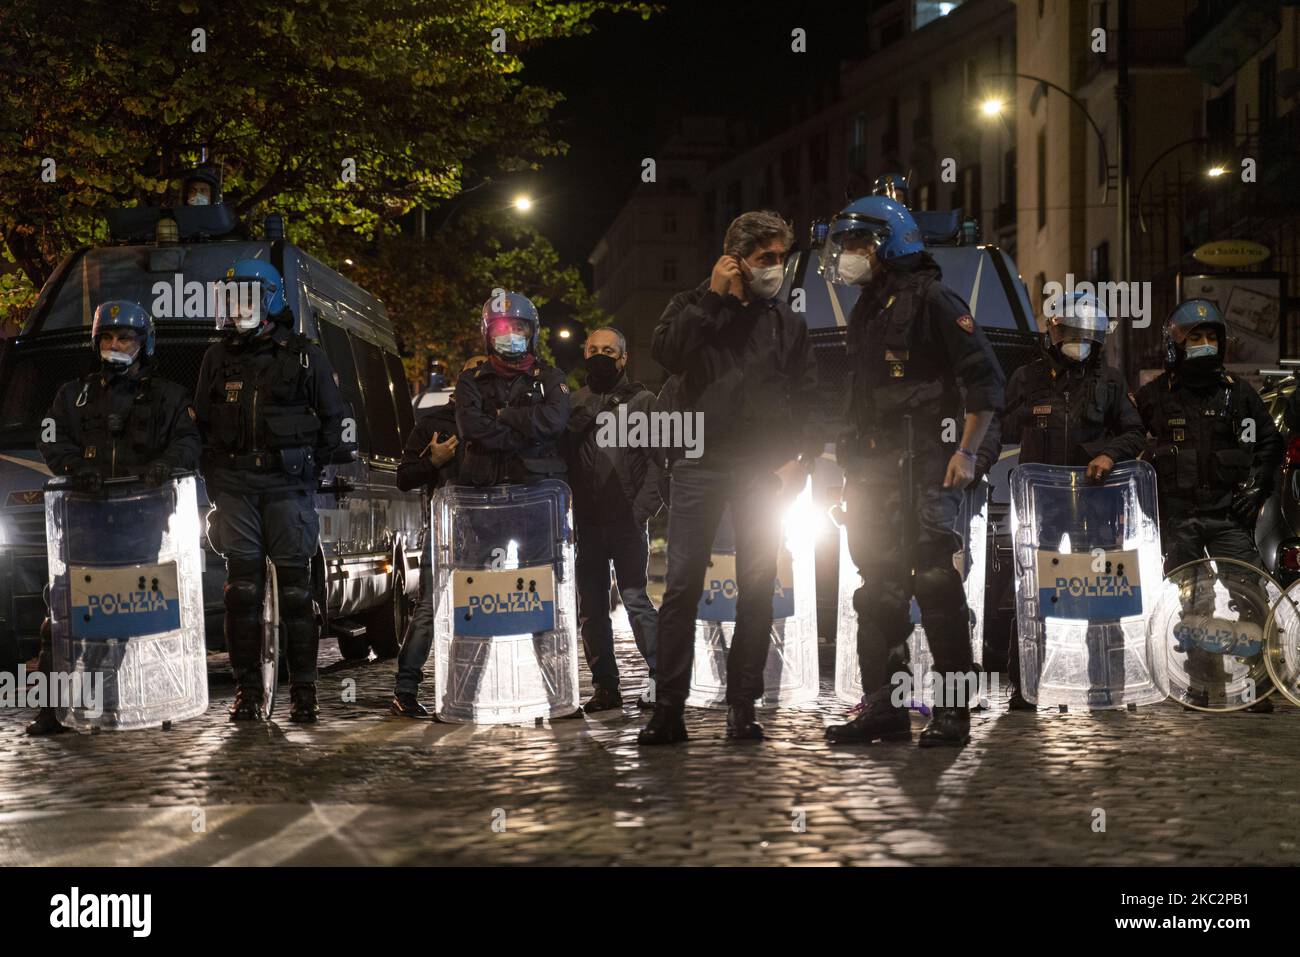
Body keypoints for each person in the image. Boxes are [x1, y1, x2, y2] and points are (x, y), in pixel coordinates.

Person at [821, 194, 1003, 748]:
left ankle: (951, 713)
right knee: (877, 590)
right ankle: (885, 709)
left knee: (935, 582)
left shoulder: (935, 299)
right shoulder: (869, 308)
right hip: (872, 468)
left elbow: (985, 380)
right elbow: (858, 400)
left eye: (856, 243)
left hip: (925, 463)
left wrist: (967, 452)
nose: (848, 254)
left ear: (887, 242)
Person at [641, 210, 821, 745]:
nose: (776, 268)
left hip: (763, 473)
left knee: (758, 590)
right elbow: (668, 354)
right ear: (735, 258)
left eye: (781, 258)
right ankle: (668, 708)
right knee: (680, 590)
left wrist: (799, 460)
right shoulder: (691, 306)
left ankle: (743, 706)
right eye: (766, 258)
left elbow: (809, 399)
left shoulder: (786, 322)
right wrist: (712, 300)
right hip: (698, 467)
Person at [31, 300, 201, 734]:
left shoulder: (169, 396)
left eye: (124, 337)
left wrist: (166, 465)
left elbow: (188, 442)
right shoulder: (73, 393)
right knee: (64, 611)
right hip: (84, 521)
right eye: (107, 337)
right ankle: (54, 708)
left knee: (120, 616)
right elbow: (51, 437)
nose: (115, 344)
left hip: (140, 522)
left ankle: (110, 700)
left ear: (144, 344)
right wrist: (73, 468)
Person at [194, 258, 349, 724]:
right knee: (241, 592)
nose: (237, 309)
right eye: (231, 299)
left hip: (286, 487)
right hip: (236, 488)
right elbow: (200, 423)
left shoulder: (304, 355)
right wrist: (216, 477)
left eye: (246, 298)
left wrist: (308, 470)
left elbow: (333, 420)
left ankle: (304, 690)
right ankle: (247, 692)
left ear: (270, 301)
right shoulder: (217, 357)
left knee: (298, 594)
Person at [981, 290, 1146, 708]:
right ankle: (1025, 687)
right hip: (1043, 506)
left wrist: (1109, 455)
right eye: (1072, 331)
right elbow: (999, 426)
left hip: (1097, 504)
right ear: (1054, 332)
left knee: (1103, 595)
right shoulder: (1027, 378)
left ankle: (1108, 684)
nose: (1080, 340)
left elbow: (1134, 432)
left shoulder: (1110, 382)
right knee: (1031, 593)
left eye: (1088, 333)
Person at [1136, 298, 1282, 712]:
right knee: (1193, 601)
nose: (1204, 343)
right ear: (1175, 344)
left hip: (1226, 516)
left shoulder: (1239, 396)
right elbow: (1129, 440)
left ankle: (1258, 684)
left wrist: (1257, 486)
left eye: (1210, 336)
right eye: (1195, 337)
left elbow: (1267, 443)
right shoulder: (1152, 398)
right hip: (1179, 518)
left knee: (1252, 593)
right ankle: (1204, 684)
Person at [562, 327, 662, 714]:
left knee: (636, 598)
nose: (600, 356)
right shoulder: (573, 403)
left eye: (609, 350)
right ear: (585, 354)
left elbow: (659, 463)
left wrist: (640, 512)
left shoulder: (643, 402)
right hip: (586, 522)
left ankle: (660, 679)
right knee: (591, 608)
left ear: (623, 358)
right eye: (593, 349)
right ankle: (605, 687)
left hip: (626, 521)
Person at [390, 353, 486, 718]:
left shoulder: (496, 421)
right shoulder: (434, 423)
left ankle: (467, 690)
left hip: (487, 533)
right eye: (472, 373)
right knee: (430, 609)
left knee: (476, 613)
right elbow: (404, 477)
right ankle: (406, 690)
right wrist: (434, 461)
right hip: (445, 532)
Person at [455, 292, 570, 490]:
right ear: (488, 335)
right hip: (482, 493)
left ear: (531, 333)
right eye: (501, 328)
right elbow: (471, 427)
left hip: (539, 494)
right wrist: (527, 436)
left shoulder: (550, 377)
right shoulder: (470, 380)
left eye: (518, 328)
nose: (510, 334)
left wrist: (505, 414)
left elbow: (553, 421)